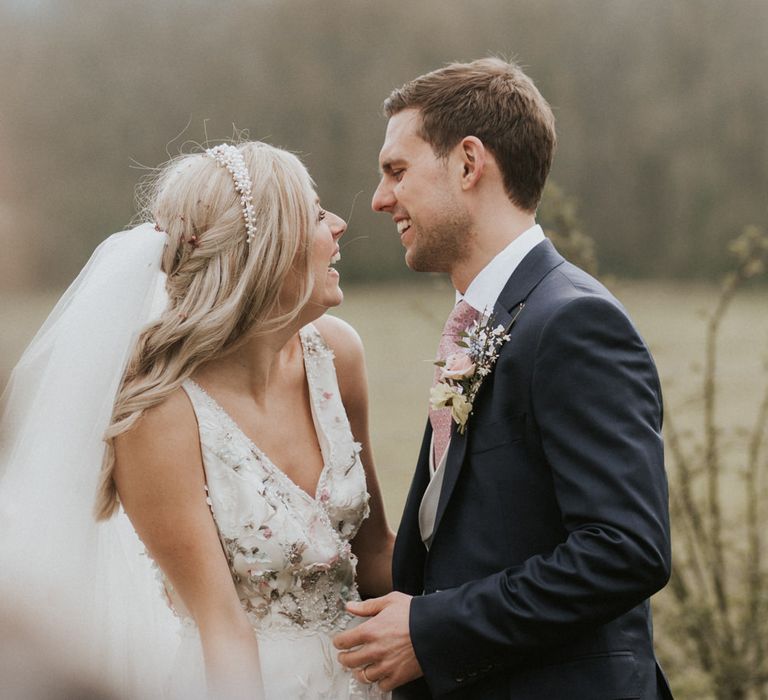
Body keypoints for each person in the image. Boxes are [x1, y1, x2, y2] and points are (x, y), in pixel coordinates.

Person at [0, 141, 394, 699]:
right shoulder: (157, 415)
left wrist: (463, 623)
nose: (339, 224)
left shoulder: (337, 357)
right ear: (267, 251)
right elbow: (223, 626)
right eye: (314, 213)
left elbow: (377, 552)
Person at [334, 58, 673, 699]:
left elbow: (626, 548)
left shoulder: (574, 322)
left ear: (468, 163)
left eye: (396, 171)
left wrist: (432, 630)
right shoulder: (486, 322)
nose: (380, 199)